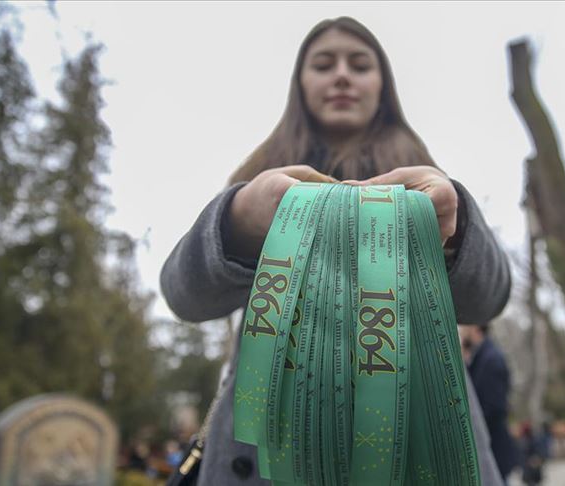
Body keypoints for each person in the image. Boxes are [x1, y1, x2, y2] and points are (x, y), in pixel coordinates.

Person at [160, 16, 512, 485]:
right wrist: (239, 221)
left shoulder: (427, 177)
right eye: (323, 64)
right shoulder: (256, 176)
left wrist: (456, 228)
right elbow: (183, 296)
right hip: (264, 455)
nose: (342, 75)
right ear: (299, 84)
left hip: (421, 450)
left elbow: (491, 297)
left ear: (382, 85)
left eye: (359, 64)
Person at [459, 322, 520, 485]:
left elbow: (494, 407)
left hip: (494, 451)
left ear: (475, 327)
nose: (461, 332)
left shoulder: (491, 358)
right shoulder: (481, 357)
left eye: (464, 327)